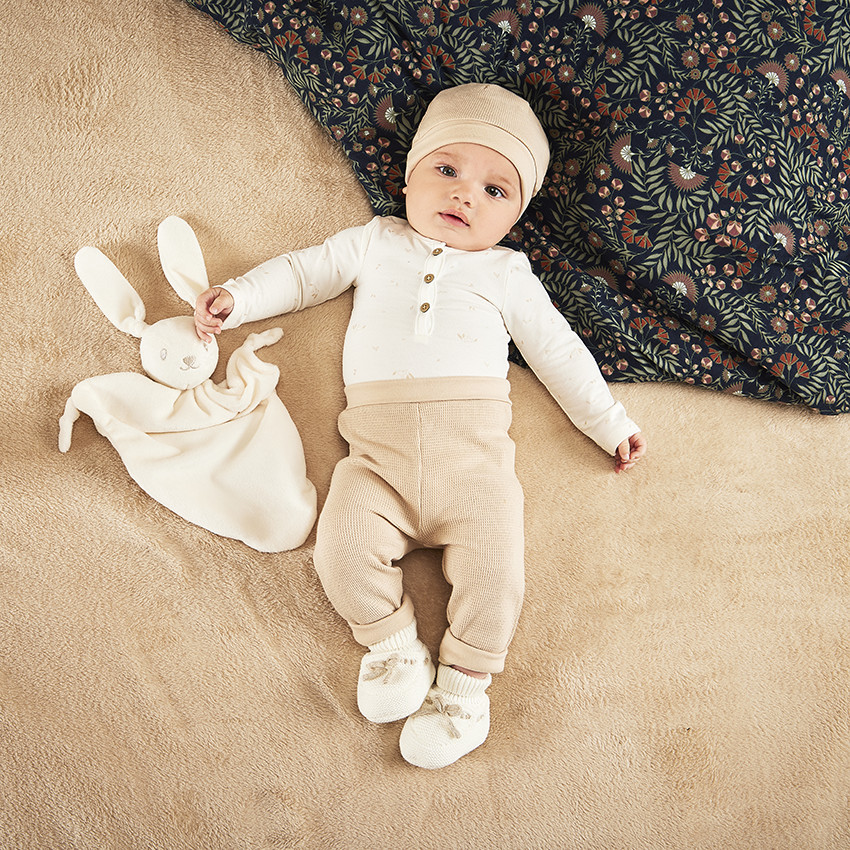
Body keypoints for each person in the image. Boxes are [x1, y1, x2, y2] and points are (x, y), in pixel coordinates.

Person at [194, 83, 646, 769]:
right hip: (376, 460)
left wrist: (609, 423)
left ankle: (464, 692)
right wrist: (241, 297)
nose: (466, 195)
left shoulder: (506, 273)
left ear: (516, 217)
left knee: (498, 574)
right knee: (338, 547)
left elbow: (557, 353)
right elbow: (306, 271)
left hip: (476, 467)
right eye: (447, 171)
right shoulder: (375, 242)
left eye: (496, 191)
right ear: (408, 177)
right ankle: (393, 647)